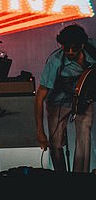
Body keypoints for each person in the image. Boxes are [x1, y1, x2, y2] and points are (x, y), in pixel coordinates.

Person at [34, 24, 95, 172]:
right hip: (58, 101)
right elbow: (39, 97)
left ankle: (80, 179)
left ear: (82, 44)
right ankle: (61, 179)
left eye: (74, 48)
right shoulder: (55, 61)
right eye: (65, 48)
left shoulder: (92, 50)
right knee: (56, 142)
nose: (70, 52)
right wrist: (40, 132)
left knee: (84, 135)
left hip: (84, 99)